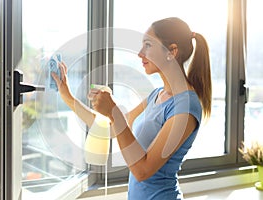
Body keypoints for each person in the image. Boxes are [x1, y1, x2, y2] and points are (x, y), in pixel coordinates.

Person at [52, 17, 211, 200]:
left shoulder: (186, 108)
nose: (140, 53)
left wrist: (114, 112)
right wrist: (67, 97)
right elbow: (112, 128)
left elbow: (143, 170)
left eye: (148, 45)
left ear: (172, 51)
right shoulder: (156, 95)